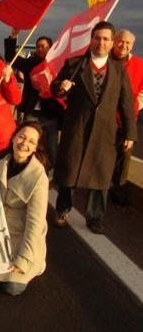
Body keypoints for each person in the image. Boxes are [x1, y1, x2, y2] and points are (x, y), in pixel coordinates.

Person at [51, 21, 137, 234]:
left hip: (105, 132)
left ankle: (95, 217)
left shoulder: (119, 70)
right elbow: (55, 88)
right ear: (91, 40)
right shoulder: (74, 65)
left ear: (112, 42)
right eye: (97, 38)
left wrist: (130, 133)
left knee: (101, 175)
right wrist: (60, 88)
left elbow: (126, 103)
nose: (101, 42)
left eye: (106, 39)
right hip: (77, 129)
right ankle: (63, 209)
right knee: (69, 172)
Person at [0, 120, 49, 296]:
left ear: (36, 148)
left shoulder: (39, 178)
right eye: (21, 137)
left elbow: (35, 223)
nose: (24, 143)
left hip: (20, 232)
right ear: (14, 138)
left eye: (31, 142)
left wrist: (23, 261)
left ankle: (38, 263)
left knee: (12, 288)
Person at [4, 30, 63, 166]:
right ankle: (25, 166)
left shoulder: (57, 64)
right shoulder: (31, 63)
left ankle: (52, 171)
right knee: (27, 141)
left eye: (43, 46)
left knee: (51, 145)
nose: (40, 49)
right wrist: (13, 37)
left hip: (50, 113)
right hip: (32, 111)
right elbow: (11, 57)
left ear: (50, 48)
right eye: (38, 46)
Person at [109, 29, 143, 205]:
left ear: (132, 45)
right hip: (106, 117)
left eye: (128, 43)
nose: (123, 45)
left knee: (124, 155)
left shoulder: (139, 64)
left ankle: (118, 189)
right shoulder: (106, 61)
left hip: (127, 118)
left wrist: (137, 104)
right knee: (104, 152)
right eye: (121, 41)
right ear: (114, 41)